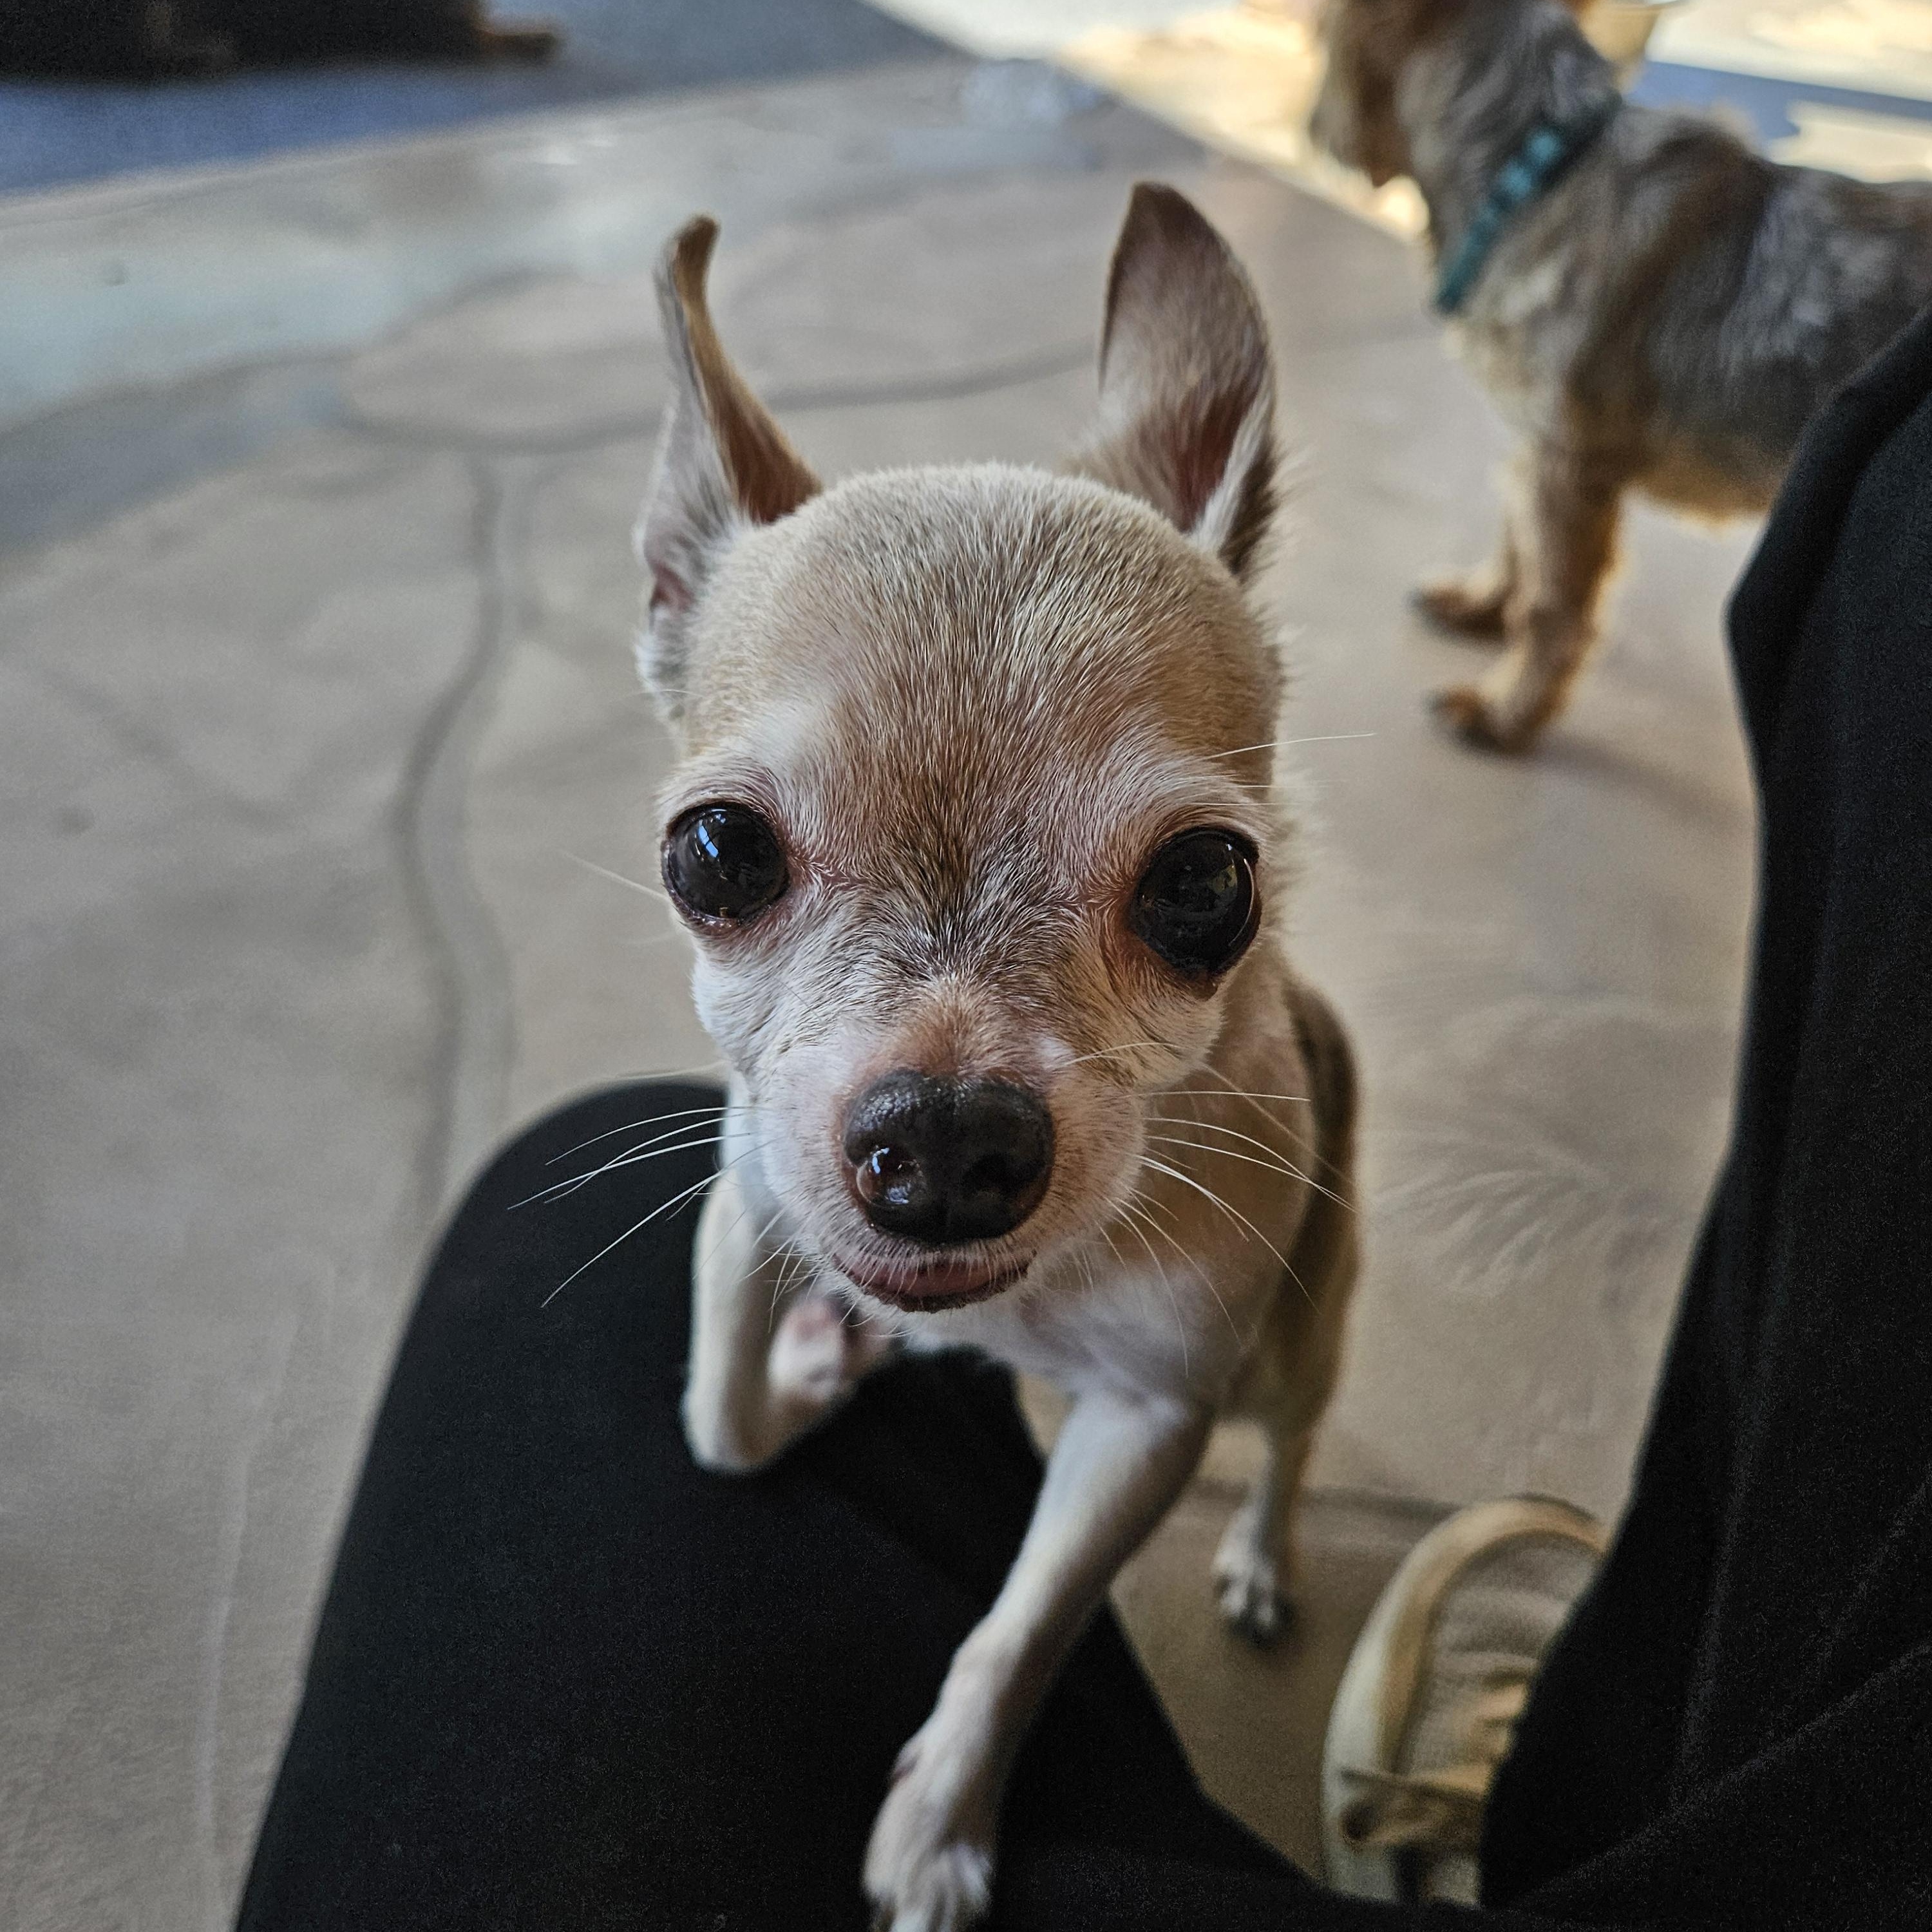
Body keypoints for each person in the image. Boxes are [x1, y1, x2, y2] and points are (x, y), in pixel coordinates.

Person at [235, 300, 1932, 1931]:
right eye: (738, 866)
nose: (942, 1122)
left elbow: (1106, 1382)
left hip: (1191, 1214)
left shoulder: (1246, 1137)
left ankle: (1264, 1523)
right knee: (724, 1264)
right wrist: (729, 1420)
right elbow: (753, 1214)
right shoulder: (839, 1084)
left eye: (1179, 890)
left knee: (1272, 1385)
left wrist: (978, 1713)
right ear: (670, 598)